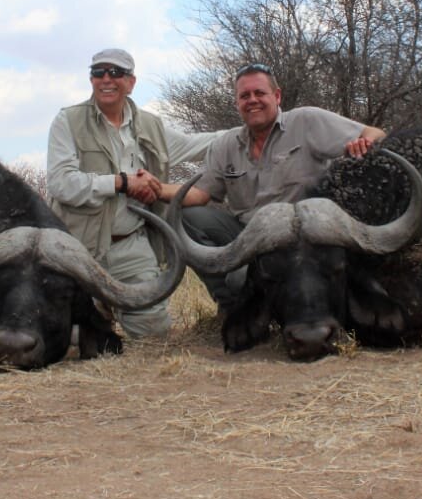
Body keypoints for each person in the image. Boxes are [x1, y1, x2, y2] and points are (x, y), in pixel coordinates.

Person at [176, 62, 386, 309]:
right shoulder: (225, 144)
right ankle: (233, 307)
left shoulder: (307, 120)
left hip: (302, 239)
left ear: (277, 96)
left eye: (259, 93)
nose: (252, 100)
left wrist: (365, 145)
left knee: (246, 278)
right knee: (187, 218)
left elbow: (375, 134)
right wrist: (153, 189)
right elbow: (200, 194)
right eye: (244, 96)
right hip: (251, 237)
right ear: (237, 103)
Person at [47, 49, 219, 338]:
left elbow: (200, 144)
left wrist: (262, 122)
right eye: (98, 72)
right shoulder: (67, 121)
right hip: (78, 248)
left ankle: (111, 310)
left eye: (115, 73)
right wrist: (121, 183)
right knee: (74, 338)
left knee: (153, 334)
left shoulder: (151, 126)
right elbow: (61, 183)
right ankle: (95, 313)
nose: (106, 79)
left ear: (131, 82)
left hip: (132, 245)